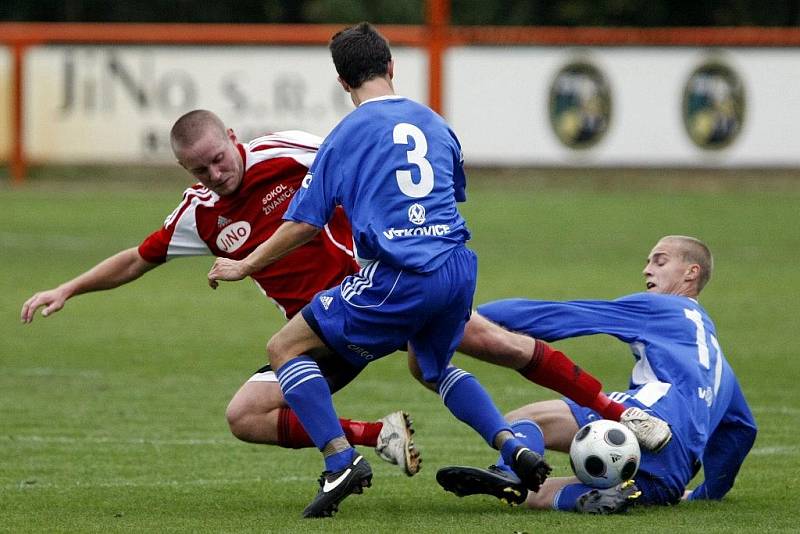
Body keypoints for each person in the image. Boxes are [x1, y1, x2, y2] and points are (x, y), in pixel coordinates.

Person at [206, 22, 551, 518]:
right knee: (429, 367)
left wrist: (247, 263)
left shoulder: (344, 137)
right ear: (391, 67)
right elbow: (452, 194)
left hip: (399, 275)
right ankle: (510, 442)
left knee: (285, 346)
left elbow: (305, 222)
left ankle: (340, 459)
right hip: (457, 269)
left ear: (342, 83)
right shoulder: (435, 122)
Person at [19, 109, 422, 477]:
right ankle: (377, 435)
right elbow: (136, 259)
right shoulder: (199, 214)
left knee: (468, 338)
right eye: (200, 169)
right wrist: (68, 288)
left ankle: (490, 447)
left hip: (369, 299)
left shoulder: (286, 153)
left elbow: (359, 160)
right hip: (314, 337)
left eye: (218, 158)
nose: (215, 173)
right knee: (244, 416)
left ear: (232, 137)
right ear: (183, 168)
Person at [436, 235, 757, 514]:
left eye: (660, 261)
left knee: (526, 419)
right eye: (648, 262)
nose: (647, 269)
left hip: (650, 420)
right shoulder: (719, 363)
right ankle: (592, 498)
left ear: (691, 272)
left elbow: (562, 316)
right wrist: (706, 493)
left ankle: (508, 470)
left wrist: (469, 319)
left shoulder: (662, 308)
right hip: (674, 473)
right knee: (533, 497)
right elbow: (741, 429)